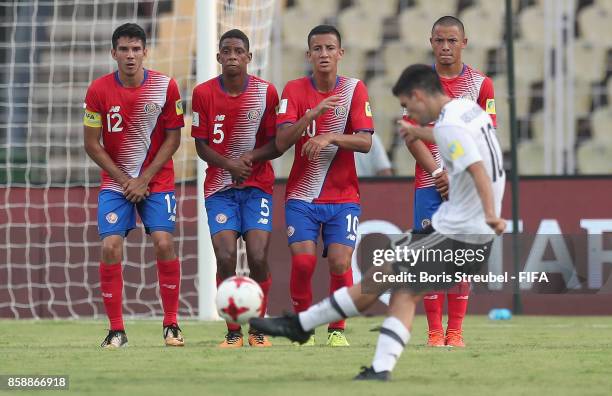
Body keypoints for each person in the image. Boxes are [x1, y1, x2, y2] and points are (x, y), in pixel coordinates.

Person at [250, 64, 506, 381]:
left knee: (378, 282)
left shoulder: (451, 125)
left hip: (462, 234)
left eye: (406, 106)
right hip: (463, 232)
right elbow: (459, 140)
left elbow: (477, 168)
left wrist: (491, 214)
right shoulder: (467, 111)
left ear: (418, 95)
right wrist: (418, 133)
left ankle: (300, 325)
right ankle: (378, 368)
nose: (407, 112)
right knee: (398, 290)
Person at [83, 23, 185, 348]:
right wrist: (126, 179)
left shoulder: (166, 87)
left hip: (157, 179)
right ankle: (116, 330)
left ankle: (171, 325)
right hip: (117, 183)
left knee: (164, 242)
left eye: (136, 49)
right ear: (113, 53)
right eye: (124, 49)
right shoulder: (97, 90)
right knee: (110, 246)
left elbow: (173, 138)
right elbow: (91, 144)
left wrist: (144, 178)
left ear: (145, 51)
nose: (130, 55)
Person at [401, 16, 498, 347]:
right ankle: (433, 333)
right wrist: (438, 173)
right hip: (430, 182)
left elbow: (486, 137)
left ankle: (455, 332)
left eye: (452, 41)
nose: (445, 47)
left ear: (464, 43)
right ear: (431, 42)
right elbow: (410, 135)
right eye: (440, 41)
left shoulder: (481, 85)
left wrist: (459, 178)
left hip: (465, 187)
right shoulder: (420, 83)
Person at [275, 25, 374, 347]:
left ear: (340, 53)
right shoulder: (293, 89)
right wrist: (310, 116)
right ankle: (303, 327)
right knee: (303, 262)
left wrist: (329, 135)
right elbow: (280, 141)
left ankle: (337, 329)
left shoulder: (354, 90)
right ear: (308, 55)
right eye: (317, 49)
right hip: (302, 196)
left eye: (330, 48)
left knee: (340, 262)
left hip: (343, 196)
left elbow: (364, 142)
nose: (324, 54)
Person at [191, 29, 279, 348]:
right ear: (217, 57)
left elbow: (276, 143)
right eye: (226, 51)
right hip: (219, 190)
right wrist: (229, 165)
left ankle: (257, 328)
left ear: (248, 57)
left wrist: (250, 159)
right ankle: (232, 333)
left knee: (257, 256)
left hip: (258, 187)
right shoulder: (202, 93)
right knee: (226, 256)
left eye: (238, 51)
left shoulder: (266, 93)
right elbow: (200, 145)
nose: (232, 56)